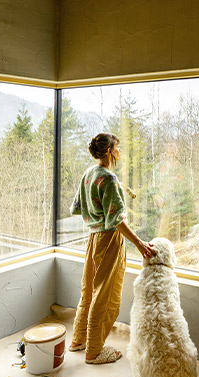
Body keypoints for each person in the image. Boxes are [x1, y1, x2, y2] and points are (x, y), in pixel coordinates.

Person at [69, 133, 155, 364]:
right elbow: (117, 220)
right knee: (104, 295)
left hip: (92, 238)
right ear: (109, 151)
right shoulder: (108, 179)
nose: (120, 152)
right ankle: (94, 350)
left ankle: (79, 339)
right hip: (108, 240)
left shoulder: (89, 174)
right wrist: (139, 243)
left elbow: (76, 207)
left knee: (88, 290)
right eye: (118, 147)